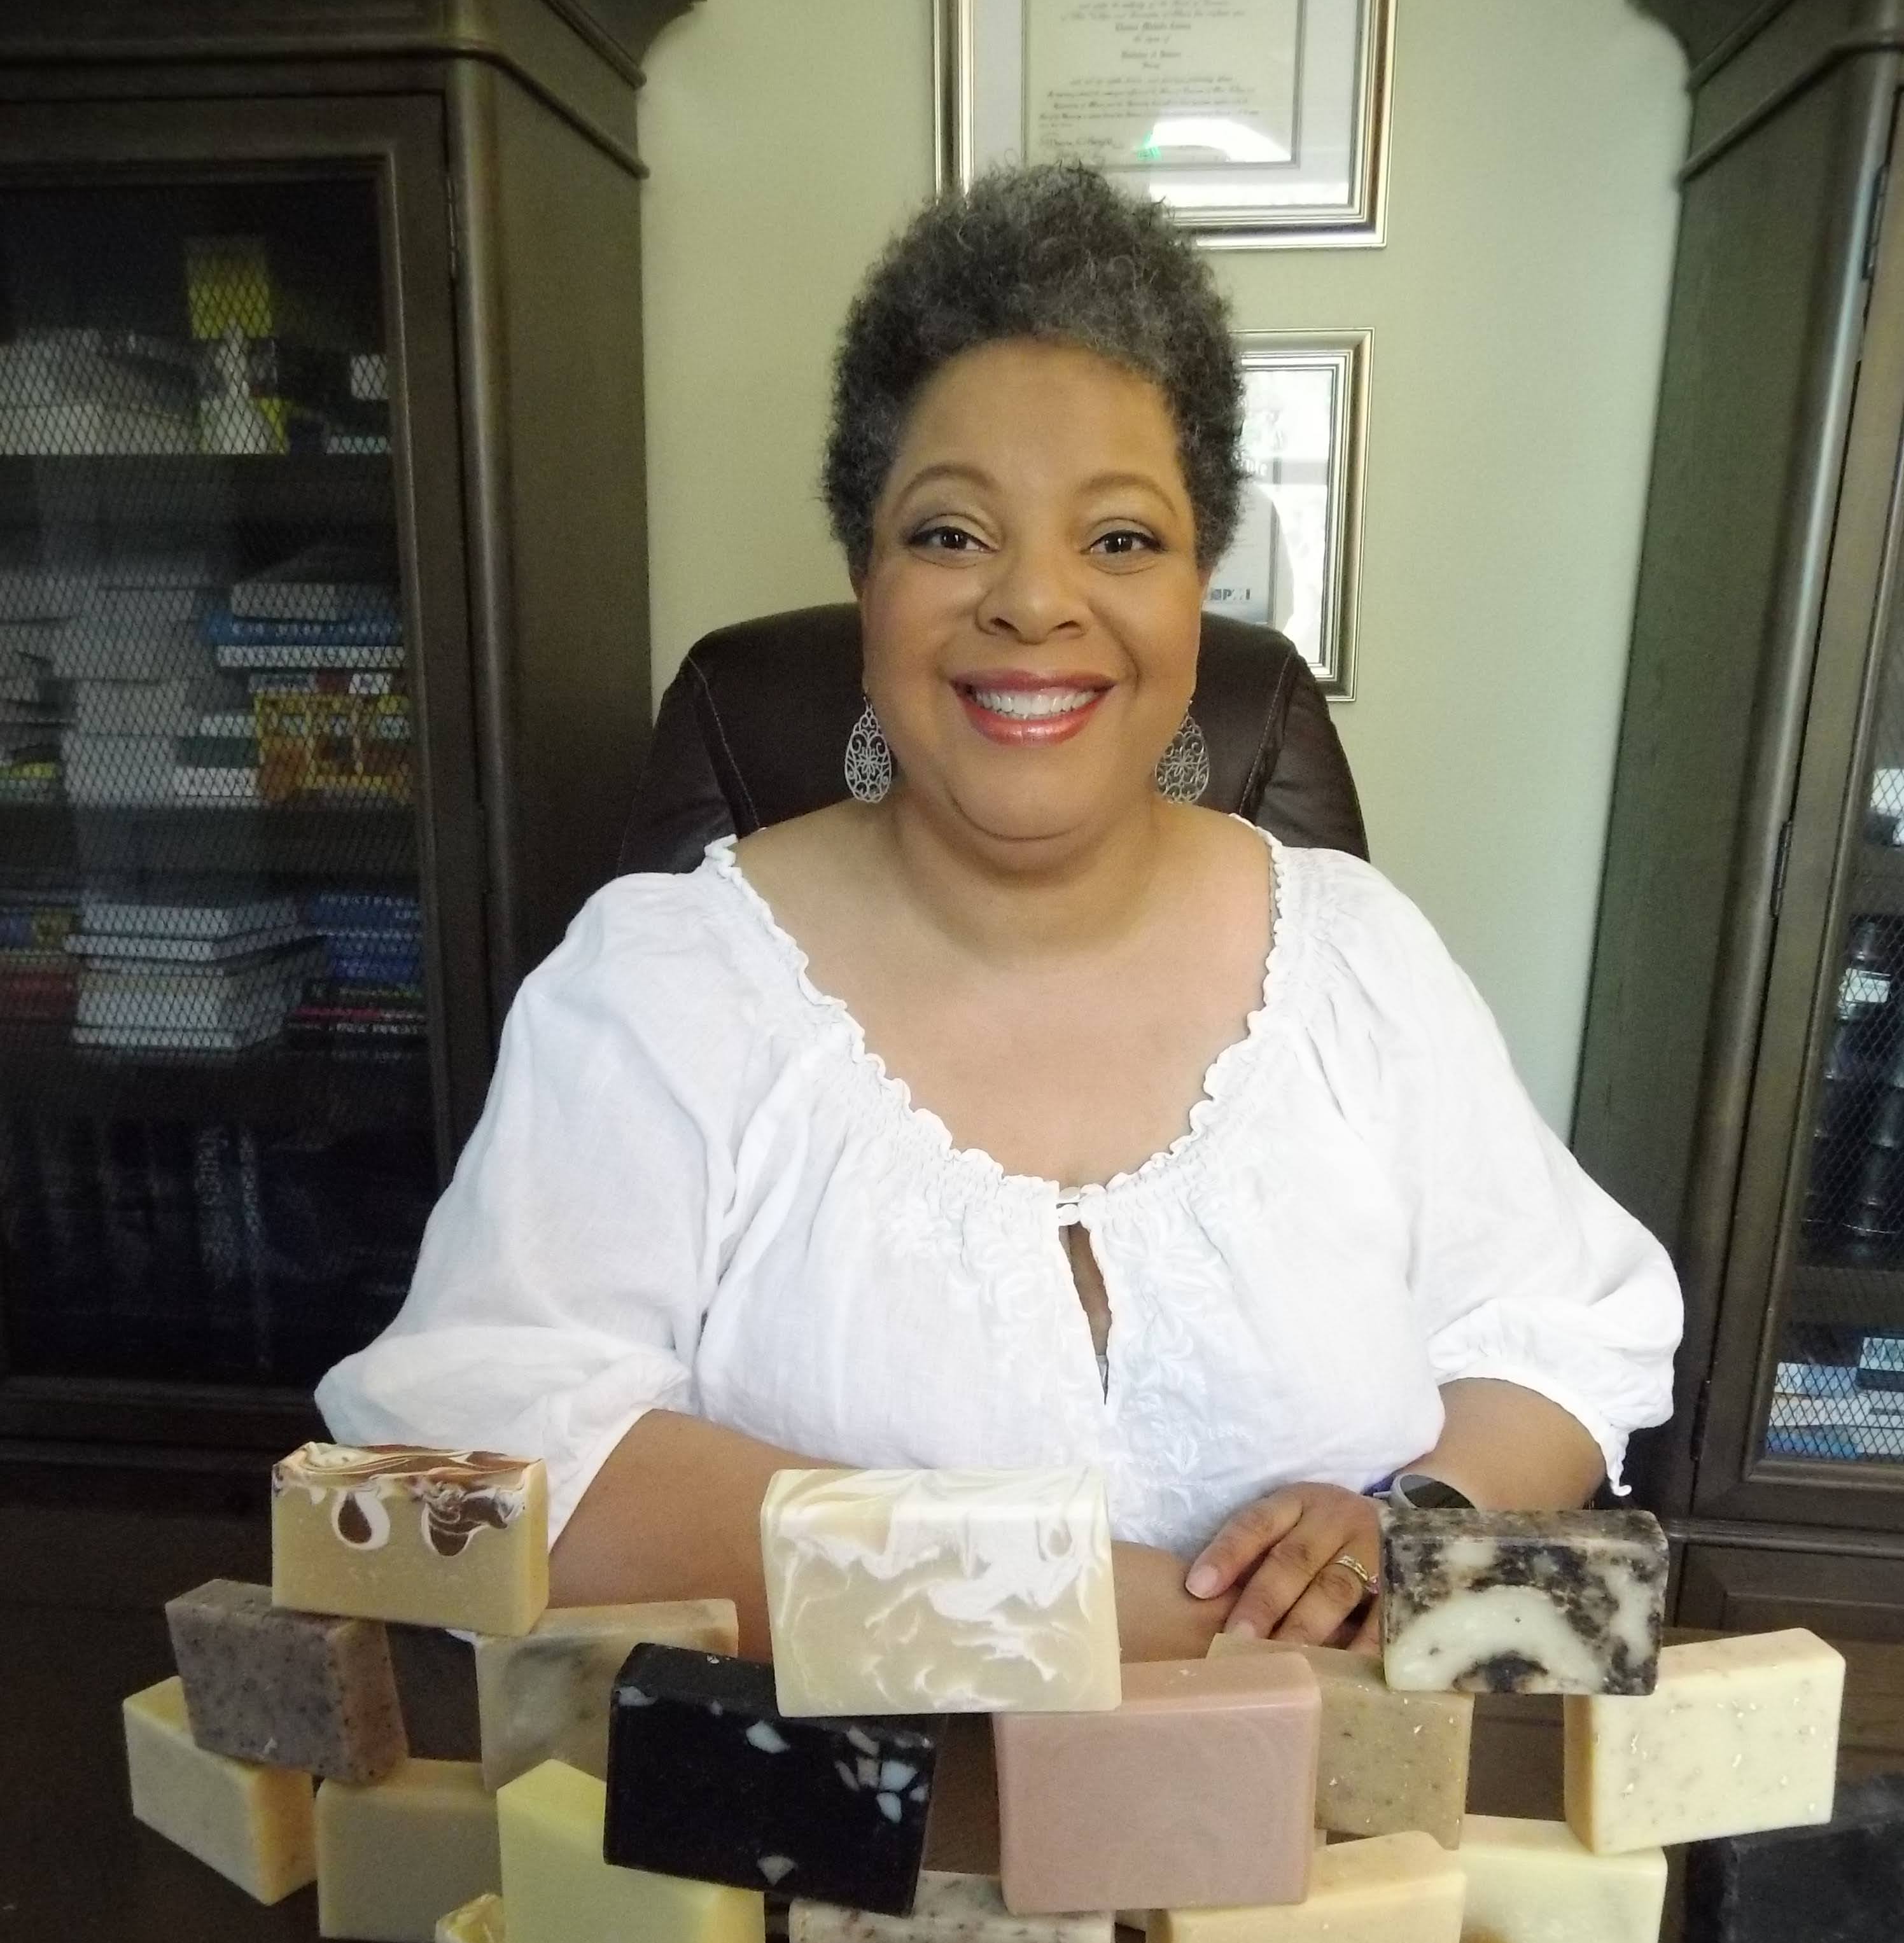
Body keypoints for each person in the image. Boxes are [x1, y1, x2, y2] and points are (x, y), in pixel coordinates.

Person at [318, 164, 1681, 1666]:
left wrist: (1410, 1518)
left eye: (1118, 540)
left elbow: (1559, 1326)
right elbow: (488, 1450)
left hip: (1314, 1846)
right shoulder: (662, 988)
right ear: (864, 577)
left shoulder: (1355, 954)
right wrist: (1144, 1616)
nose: (1035, 603)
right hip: (826, 1859)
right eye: (952, 533)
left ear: (1196, 590)